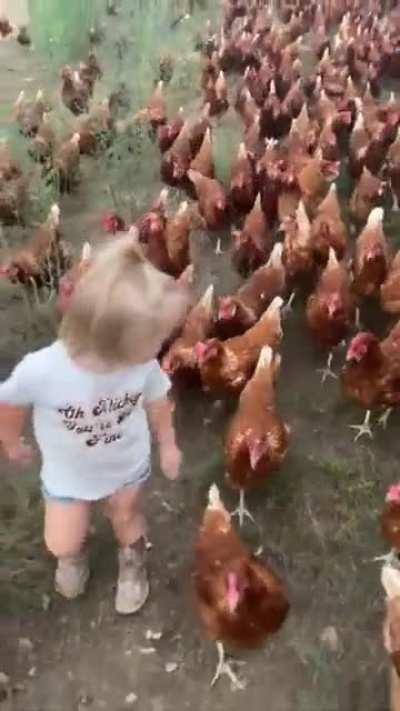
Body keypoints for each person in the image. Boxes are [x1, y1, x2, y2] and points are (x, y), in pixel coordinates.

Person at [0, 235, 189, 615]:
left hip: (126, 465)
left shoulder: (140, 366)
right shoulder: (43, 370)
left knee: (127, 516)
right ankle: (72, 556)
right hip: (68, 476)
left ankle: (132, 561)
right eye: (155, 339)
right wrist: (11, 440)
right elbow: (8, 401)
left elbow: (158, 400)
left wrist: (167, 443)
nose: (161, 346)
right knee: (61, 540)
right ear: (115, 341)